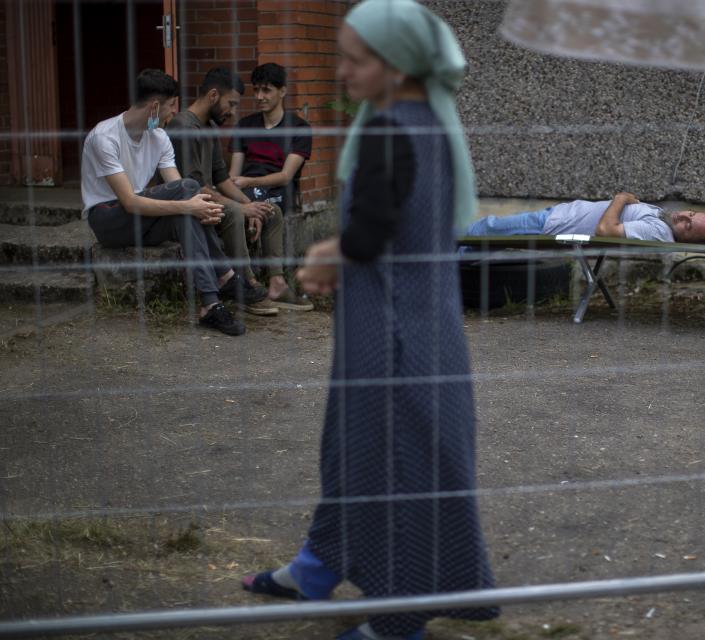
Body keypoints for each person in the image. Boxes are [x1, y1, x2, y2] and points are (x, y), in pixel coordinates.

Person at [241, 1, 499, 639]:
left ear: (399, 63)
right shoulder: (427, 120)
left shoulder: (390, 130)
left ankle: (397, 618)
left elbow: (372, 233)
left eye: (356, 60)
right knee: (351, 447)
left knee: (397, 462)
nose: (343, 71)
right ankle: (319, 565)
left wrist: (327, 254)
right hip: (409, 319)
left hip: (393, 334)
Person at [81, 69, 244, 336]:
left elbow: (183, 190)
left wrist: (199, 210)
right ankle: (225, 274)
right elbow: (130, 202)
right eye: (170, 106)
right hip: (109, 218)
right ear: (155, 106)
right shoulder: (104, 137)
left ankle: (210, 305)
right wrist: (191, 206)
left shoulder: (159, 138)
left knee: (187, 204)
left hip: (141, 217)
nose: (173, 114)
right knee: (186, 203)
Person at [166, 67, 279, 317]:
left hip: (209, 195)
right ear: (214, 95)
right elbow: (193, 185)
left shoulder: (209, 127)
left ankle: (277, 280)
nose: (233, 112)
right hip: (191, 201)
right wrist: (241, 208)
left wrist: (251, 205)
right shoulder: (183, 127)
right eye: (232, 104)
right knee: (234, 213)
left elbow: (222, 179)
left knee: (272, 210)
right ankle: (245, 286)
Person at [228, 62, 314, 311]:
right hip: (245, 191)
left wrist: (249, 183)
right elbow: (233, 174)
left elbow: (286, 176)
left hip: (279, 193)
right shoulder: (244, 126)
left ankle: (257, 284)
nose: (259, 97)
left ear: (282, 91)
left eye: (266, 90)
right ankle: (269, 283)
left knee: (264, 208)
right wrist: (244, 194)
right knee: (251, 205)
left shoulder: (299, 129)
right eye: (256, 91)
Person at [465, 193, 705, 244]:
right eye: (691, 214)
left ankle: (437, 249)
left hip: (553, 225)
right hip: (561, 214)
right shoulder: (668, 222)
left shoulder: (657, 232)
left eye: (688, 226)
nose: (685, 217)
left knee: (487, 228)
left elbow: (606, 229)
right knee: (484, 237)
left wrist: (621, 198)